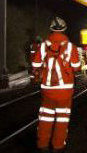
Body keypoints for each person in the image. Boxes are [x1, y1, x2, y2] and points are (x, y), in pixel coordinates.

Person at [31, 17, 81, 153]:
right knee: (61, 119)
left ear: (51, 29)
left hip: (47, 89)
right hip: (65, 91)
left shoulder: (43, 46)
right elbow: (76, 67)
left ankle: (42, 145)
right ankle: (58, 146)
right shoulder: (71, 47)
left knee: (46, 117)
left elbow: (35, 65)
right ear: (64, 29)